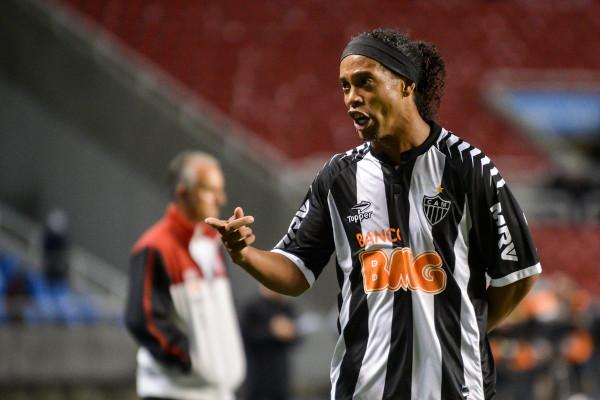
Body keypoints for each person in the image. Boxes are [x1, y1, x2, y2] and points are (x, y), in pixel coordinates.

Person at [206, 29, 541, 400]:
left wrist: (467, 327)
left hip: (453, 387)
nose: (352, 98)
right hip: (362, 388)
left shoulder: (469, 169)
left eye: (365, 82)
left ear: (406, 85)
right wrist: (244, 254)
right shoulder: (337, 178)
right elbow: (295, 269)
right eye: (345, 87)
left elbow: (518, 273)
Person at [125, 151, 246, 400]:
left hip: (218, 393)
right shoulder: (154, 246)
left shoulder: (214, 245)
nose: (220, 199)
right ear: (183, 192)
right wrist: (190, 363)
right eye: (209, 190)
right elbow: (142, 320)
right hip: (173, 393)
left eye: (220, 190)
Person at [240, 285, 299, 400]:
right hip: (257, 370)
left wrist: (291, 333)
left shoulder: (285, 307)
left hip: (280, 373)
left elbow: (296, 337)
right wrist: (271, 331)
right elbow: (246, 335)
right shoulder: (252, 306)